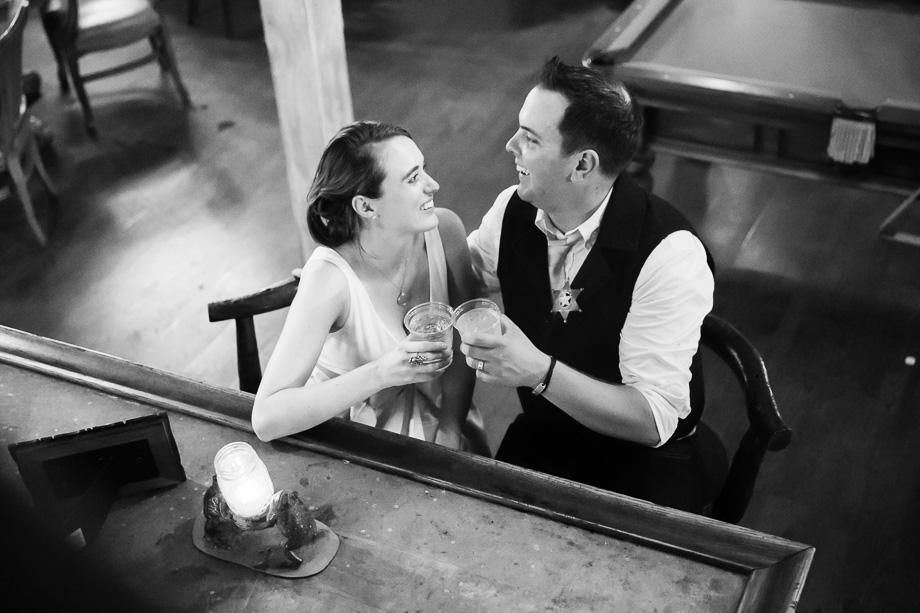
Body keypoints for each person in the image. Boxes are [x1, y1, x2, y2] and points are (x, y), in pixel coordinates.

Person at [463, 57, 715, 512]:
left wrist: (537, 372)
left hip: (643, 461)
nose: (509, 145)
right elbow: (458, 273)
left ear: (582, 164)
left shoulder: (669, 254)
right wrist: (358, 268)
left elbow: (653, 419)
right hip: (548, 434)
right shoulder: (510, 211)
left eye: (531, 139)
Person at [252, 121, 487, 453]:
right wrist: (381, 373)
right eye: (413, 178)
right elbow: (266, 418)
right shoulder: (328, 279)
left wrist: (449, 435)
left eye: (424, 170)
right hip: (354, 447)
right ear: (365, 206)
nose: (433, 185)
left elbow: (463, 348)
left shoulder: (446, 231)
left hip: (444, 427)